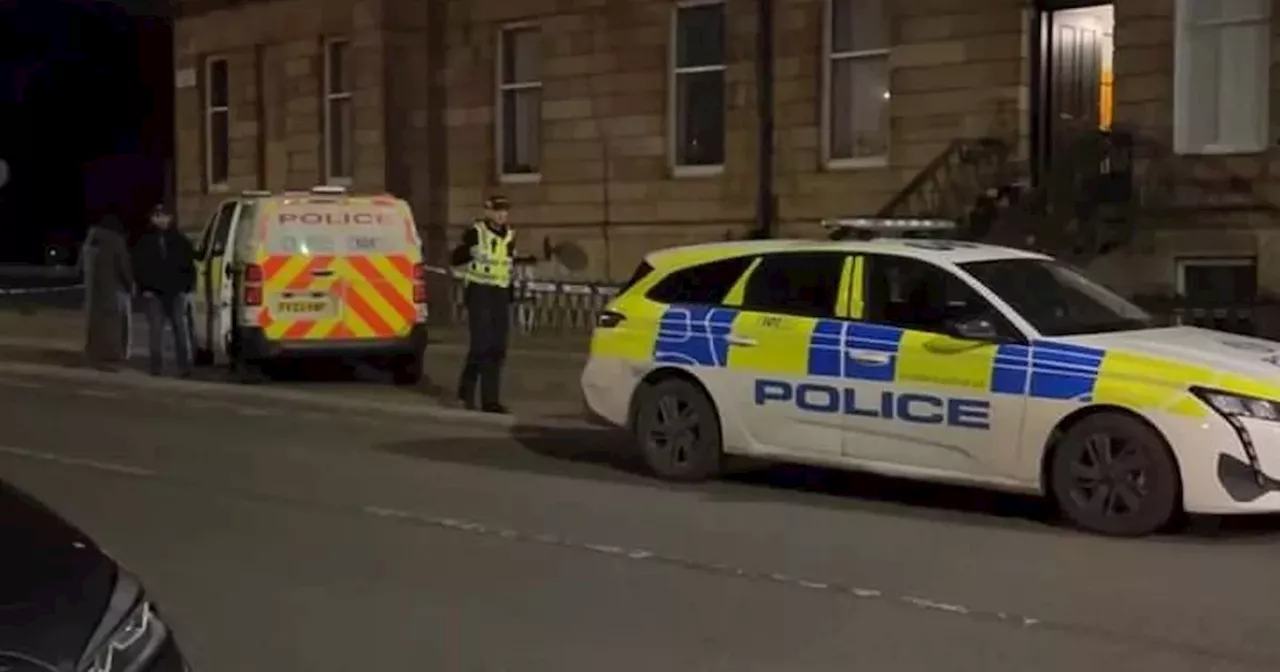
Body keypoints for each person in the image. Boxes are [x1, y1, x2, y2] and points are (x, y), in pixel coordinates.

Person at [451, 195, 516, 413]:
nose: (502, 215)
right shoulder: (476, 232)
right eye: (498, 210)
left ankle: (491, 401)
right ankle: (466, 390)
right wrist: (467, 249)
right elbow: (456, 258)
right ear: (488, 212)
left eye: (505, 210)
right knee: (481, 346)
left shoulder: (510, 236)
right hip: (479, 292)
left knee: (498, 348)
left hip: (500, 295)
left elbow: (506, 265)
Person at [132, 204, 196, 376]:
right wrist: (144, 288)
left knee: (180, 329)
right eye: (156, 215)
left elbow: (190, 265)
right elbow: (138, 266)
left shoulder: (180, 240)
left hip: (176, 292)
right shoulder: (145, 241)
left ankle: (184, 366)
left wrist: (187, 288)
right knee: (155, 331)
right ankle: (156, 366)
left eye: (163, 215)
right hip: (154, 293)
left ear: (170, 218)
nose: (159, 219)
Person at [81, 212, 133, 371]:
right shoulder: (116, 242)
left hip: (95, 291)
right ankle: (116, 353)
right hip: (116, 290)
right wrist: (131, 285)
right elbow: (123, 267)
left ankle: (96, 351)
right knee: (120, 323)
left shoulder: (91, 241)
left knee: (96, 323)